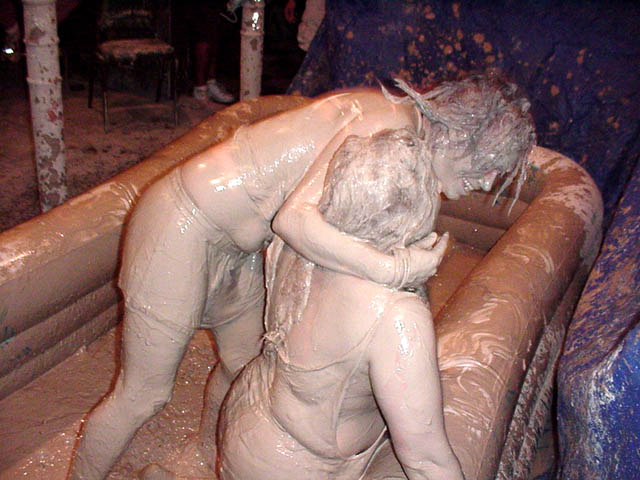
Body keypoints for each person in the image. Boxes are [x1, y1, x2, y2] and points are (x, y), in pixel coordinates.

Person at [68, 73, 534, 480]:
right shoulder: (387, 128)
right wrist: (393, 269)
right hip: (183, 221)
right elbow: (293, 220)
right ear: (458, 134)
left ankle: (203, 460)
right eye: (488, 164)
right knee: (143, 394)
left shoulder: (400, 129)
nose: (487, 181)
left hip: (236, 243)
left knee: (241, 365)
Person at [218, 127, 463, 480]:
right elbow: (427, 462)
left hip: (244, 416)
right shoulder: (396, 316)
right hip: (294, 466)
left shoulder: (299, 242)